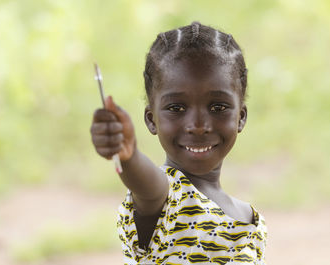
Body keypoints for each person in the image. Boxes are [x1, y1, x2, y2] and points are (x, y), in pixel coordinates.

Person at [90, 21, 267, 265]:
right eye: (177, 108)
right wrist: (130, 156)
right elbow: (148, 188)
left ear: (241, 117)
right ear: (152, 120)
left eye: (218, 107)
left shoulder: (249, 218)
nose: (198, 125)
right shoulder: (166, 201)